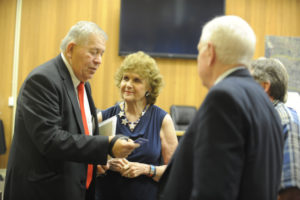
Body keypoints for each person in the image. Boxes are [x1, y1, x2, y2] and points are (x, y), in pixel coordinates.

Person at [4, 21, 139, 200]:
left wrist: (92, 163)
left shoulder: (82, 84)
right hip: (43, 191)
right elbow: (51, 140)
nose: (99, 60)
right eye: (93, 52)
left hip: (74, 186)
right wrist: (106, 144)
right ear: (70, 49)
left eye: (102, 53)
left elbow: (80, 129)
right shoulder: (43, 80)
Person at [158, 15, 284, 200]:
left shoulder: (223, 98)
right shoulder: (264, 101)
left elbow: (213, 192)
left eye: (199, 50)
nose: (197, 57)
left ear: (210, 52)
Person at [95, 51, 178, 200]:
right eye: (125, 78)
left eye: (136, 80)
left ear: (149, 88)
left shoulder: (162, 120)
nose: (128, 85)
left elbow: (175, 172)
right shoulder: (103, 117)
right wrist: (107, 163)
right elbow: (86, 162)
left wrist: (145, 169)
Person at [250, 58, 300, 200]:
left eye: (249, 82)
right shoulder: (262, 119)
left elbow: (292, 192)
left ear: (264, 86)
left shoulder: (285, 120)